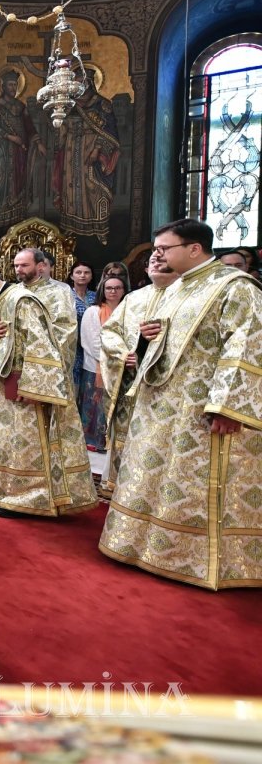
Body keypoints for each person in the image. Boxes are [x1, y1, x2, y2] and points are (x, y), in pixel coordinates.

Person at [99, 219, 262, 589]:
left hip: (199, 408)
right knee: (160, 476)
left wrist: (227, 404)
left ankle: (191, 558)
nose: (158, 254)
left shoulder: (233, 287)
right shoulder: (176, 289)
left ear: (193, 249)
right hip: (161, 405)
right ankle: (149, 548)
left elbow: (248, 342)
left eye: (165, 248)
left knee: (193, 480)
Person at [0, 261, 97, 517]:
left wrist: (31, 384)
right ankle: (3, 492)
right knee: (4, 441)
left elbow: (40, 343)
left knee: (24, 443)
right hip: (4, 383)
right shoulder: (4, 300)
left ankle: (28, 499)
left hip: (22, 387)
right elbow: (10, 338)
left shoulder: (22, 300)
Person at [97, 258, 178, 495]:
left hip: (164, 384)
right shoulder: (134, 298)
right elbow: (110, 331)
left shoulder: (187, 296)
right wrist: (124, 354)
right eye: (153, 257)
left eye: (164, 255)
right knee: (125, 434)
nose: (156, 260)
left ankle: (152, 491)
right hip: (129, 382)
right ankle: (119, 485)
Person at [53, 79, 120, 239]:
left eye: (84, 84)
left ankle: (99, 228)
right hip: (71, 150)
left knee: (93, 187)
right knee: (70, 186)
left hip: (91, 149)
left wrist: (97, 150)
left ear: (90, 84)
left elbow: (110, 134)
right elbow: (62, 127)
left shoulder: (102, 105)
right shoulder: (70, 105)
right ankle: (71, 226)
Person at [0, 68, 45, 229]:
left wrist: (38, 143)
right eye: (10, 85)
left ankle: (16, 223)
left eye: (15, 85)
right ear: (3, 86)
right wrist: (9, 137)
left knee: (18, 183)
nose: (13, 88)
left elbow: (30, 128)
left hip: (18, 154)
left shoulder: (21, 107)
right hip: (0, 153)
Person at [77, 274, 126, 452]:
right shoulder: (93, 311)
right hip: (96, 367)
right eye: (109, 288)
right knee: (94, 405)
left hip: (122, 367)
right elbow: (91, 342)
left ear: (124, 290)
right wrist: (113, 359)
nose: (113, 291)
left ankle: (113, 441)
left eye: (117, 288)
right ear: (102, 291)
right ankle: (93, 441)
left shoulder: (127, 310)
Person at [19, 248, 78, 378]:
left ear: (50, 267)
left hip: (47, 353)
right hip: (19, 354)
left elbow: (67, 325)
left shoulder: (61, 290)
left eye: (44, 264)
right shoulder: (15, 291)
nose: (41, 268)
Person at [66, 261, 96, 395]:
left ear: (91, 276)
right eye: (78, 272)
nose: (82, 275)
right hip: (73, 344)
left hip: (92, 344)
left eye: (86, 273)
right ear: (72, 276)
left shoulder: (96, 296)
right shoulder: (66, 296)